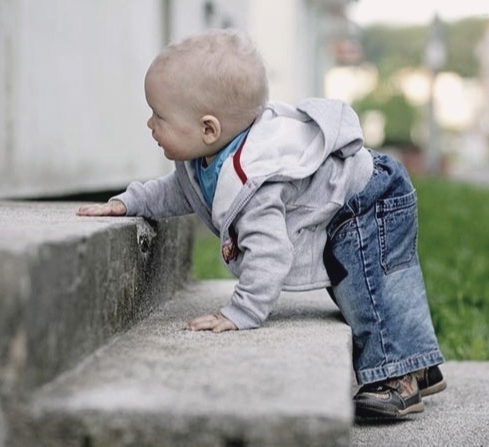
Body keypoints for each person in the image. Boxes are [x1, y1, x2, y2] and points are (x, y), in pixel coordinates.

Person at [77, 29, 446, 420]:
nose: (150, 124)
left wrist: (242, 311)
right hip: (357, 194)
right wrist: (129, 201)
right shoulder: (205, 160)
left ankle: (396, 379)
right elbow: (177, 192)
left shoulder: (254, 179)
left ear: (208, 129)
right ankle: (418, 365)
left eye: (159, 116)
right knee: (372, 283)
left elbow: (271, 252)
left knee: (366, 284)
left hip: (369, 197)